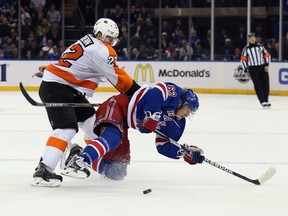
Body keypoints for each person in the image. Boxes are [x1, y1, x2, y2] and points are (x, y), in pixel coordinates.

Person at [32, 18, 140, 187]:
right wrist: (138, 93)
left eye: (113, 39)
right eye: (109, 38)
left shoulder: (89, 42)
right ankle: (44, 170)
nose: (112, 43)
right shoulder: (101, 50)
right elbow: (117, 78)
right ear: (99, 35)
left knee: (93, 124)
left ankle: (81, 159)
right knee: (66, 129)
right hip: (57, 87)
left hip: (69, 89)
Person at [62, 82, 205, 181]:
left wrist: (184, 152)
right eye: (189, 110)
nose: (188, 114)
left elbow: (163, 147)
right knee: (113, 137)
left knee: (117, 172)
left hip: (125, 123)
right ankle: (80, 160)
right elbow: (156, 92)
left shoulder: (177, 123)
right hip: (118, 106)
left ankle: (76, 152)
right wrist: (152, 115)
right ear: (183, 103)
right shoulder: (173, 93)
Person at [241, 32, 271, 108]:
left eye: (253, 37)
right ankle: (262, 101)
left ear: (255, 38)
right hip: (253, 69)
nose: (252, 38)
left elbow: (267, 55)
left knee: (266, 84)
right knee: (258, 85)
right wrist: (246, 70)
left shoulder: (261, 47)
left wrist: (266, 65)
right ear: (248, 39)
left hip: (262, 67)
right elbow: (243, 60)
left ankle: (266, 100)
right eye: (250, 37)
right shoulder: (246, 49)